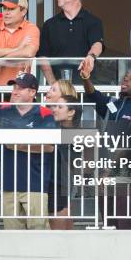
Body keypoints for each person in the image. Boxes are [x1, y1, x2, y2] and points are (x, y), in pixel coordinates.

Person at [0, 72, 56, 230]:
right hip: (8, 183)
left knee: (39, 233)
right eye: (14, 87)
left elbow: (49, 147)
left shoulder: (44, 114)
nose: (15, 91)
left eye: (20, 88)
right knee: (12, 236)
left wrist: (16, 145)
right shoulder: (4, 109)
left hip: (35, 184)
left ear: (32, 92)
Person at [81, 63, 131, 230]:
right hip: (105, 173)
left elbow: (128, 143)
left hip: (127, 174)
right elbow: (92, 94)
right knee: (108, 227)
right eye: (125, 78)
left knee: (126, 227)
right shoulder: (112, 103)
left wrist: (107, 171)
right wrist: (86, 77)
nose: (126, 80)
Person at [39, 0, 105, 85]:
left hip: (86, 87)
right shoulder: (49, 24)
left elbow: (97, 44)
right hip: (58, 89)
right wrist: (53, 84)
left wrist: (91, 57)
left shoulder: (93, 21)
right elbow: (43, 57)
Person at [48, 94, 82, 230]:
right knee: (65, 214)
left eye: (60, 107)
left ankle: (61, 248)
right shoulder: (56, 128)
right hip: (58, 181)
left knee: (60, 213)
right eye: (55, 106)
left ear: (71, 112)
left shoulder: (74, 132)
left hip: (61, 182)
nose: (55, 109)